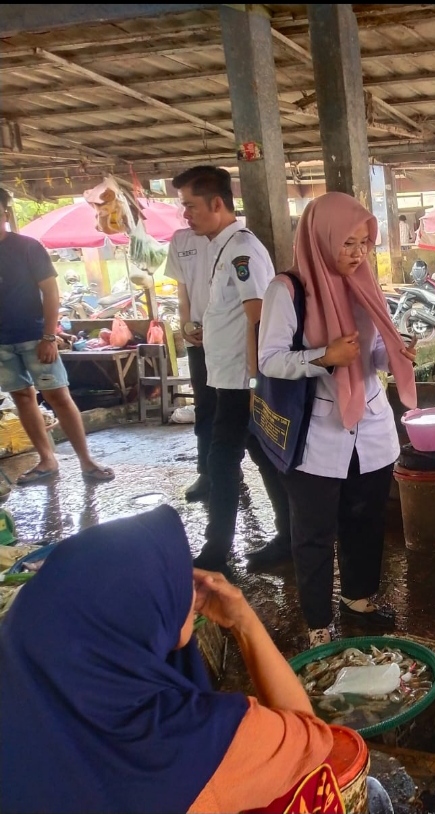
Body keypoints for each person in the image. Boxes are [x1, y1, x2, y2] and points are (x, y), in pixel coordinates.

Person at [0, 505, 334, 814]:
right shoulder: (192, 739)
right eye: (174, 576)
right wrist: (244, 622)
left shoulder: (22, 676)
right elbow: (309, 744)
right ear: (140, 612)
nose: (190, 581)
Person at [259, 192, 418, 647]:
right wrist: (324, 357)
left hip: (369, 425)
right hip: (316, 432)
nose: (358, 254)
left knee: (365, 519)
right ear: (320, 236)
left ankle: (359, 598)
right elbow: (270, 359)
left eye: (365, 243)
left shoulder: (364, 283)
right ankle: (317, 622)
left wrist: (394, 352)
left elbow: (368, 352)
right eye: (348, 243)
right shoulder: (288, 290)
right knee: (313, 533)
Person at [171, 166, 291, 574]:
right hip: (230, 376)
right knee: (261, 455)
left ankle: (215, 552)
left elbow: (258, 315)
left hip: (244, 380)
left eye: (190, 205)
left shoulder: (241, 249)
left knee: (222, 462)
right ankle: (287, 536)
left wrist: (258, 382)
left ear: (216, 203)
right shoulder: (221, 248)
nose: (185, 215)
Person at [0, 186, 114, 485]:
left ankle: (87, 462)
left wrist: (49, 336)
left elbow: (50, 290)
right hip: (1, 344)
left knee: (58, 397)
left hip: (35, 338)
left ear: (3, 212)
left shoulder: (26, 247)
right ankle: (47, 461)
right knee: (22, 398)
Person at [164, 226, 214, 501]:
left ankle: (236, 466)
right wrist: (185, 325)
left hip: (234, 342)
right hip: (200, 341)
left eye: (191, 204)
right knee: (205, 406)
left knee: (246, 406)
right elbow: (182, 290)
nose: (186, 213)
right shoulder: (180, 239)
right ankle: (207, 471)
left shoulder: (239, 238)